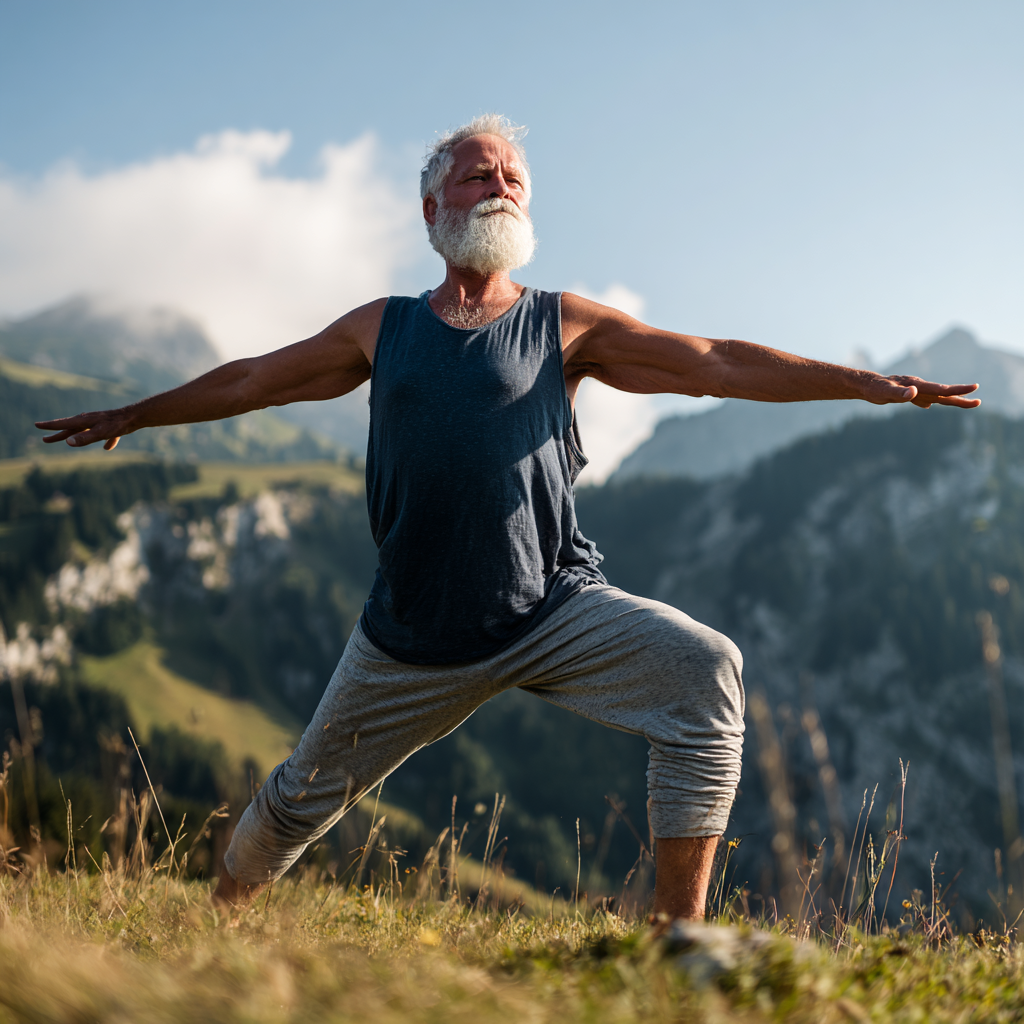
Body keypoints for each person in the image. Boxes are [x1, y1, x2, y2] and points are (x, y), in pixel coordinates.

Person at [36, 114, 981, 921]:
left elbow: (718, 361)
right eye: (477, 173)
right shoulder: (384, 326)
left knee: (708, 675)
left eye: (514, 177)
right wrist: (134, 412)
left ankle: (675, 940)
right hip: (410, 638)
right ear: (432, 207)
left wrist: (867, 385)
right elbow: (253, 379)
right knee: (294, 801)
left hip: (550, 610)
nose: (500, 185)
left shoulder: (564, 323)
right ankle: (215, 924)